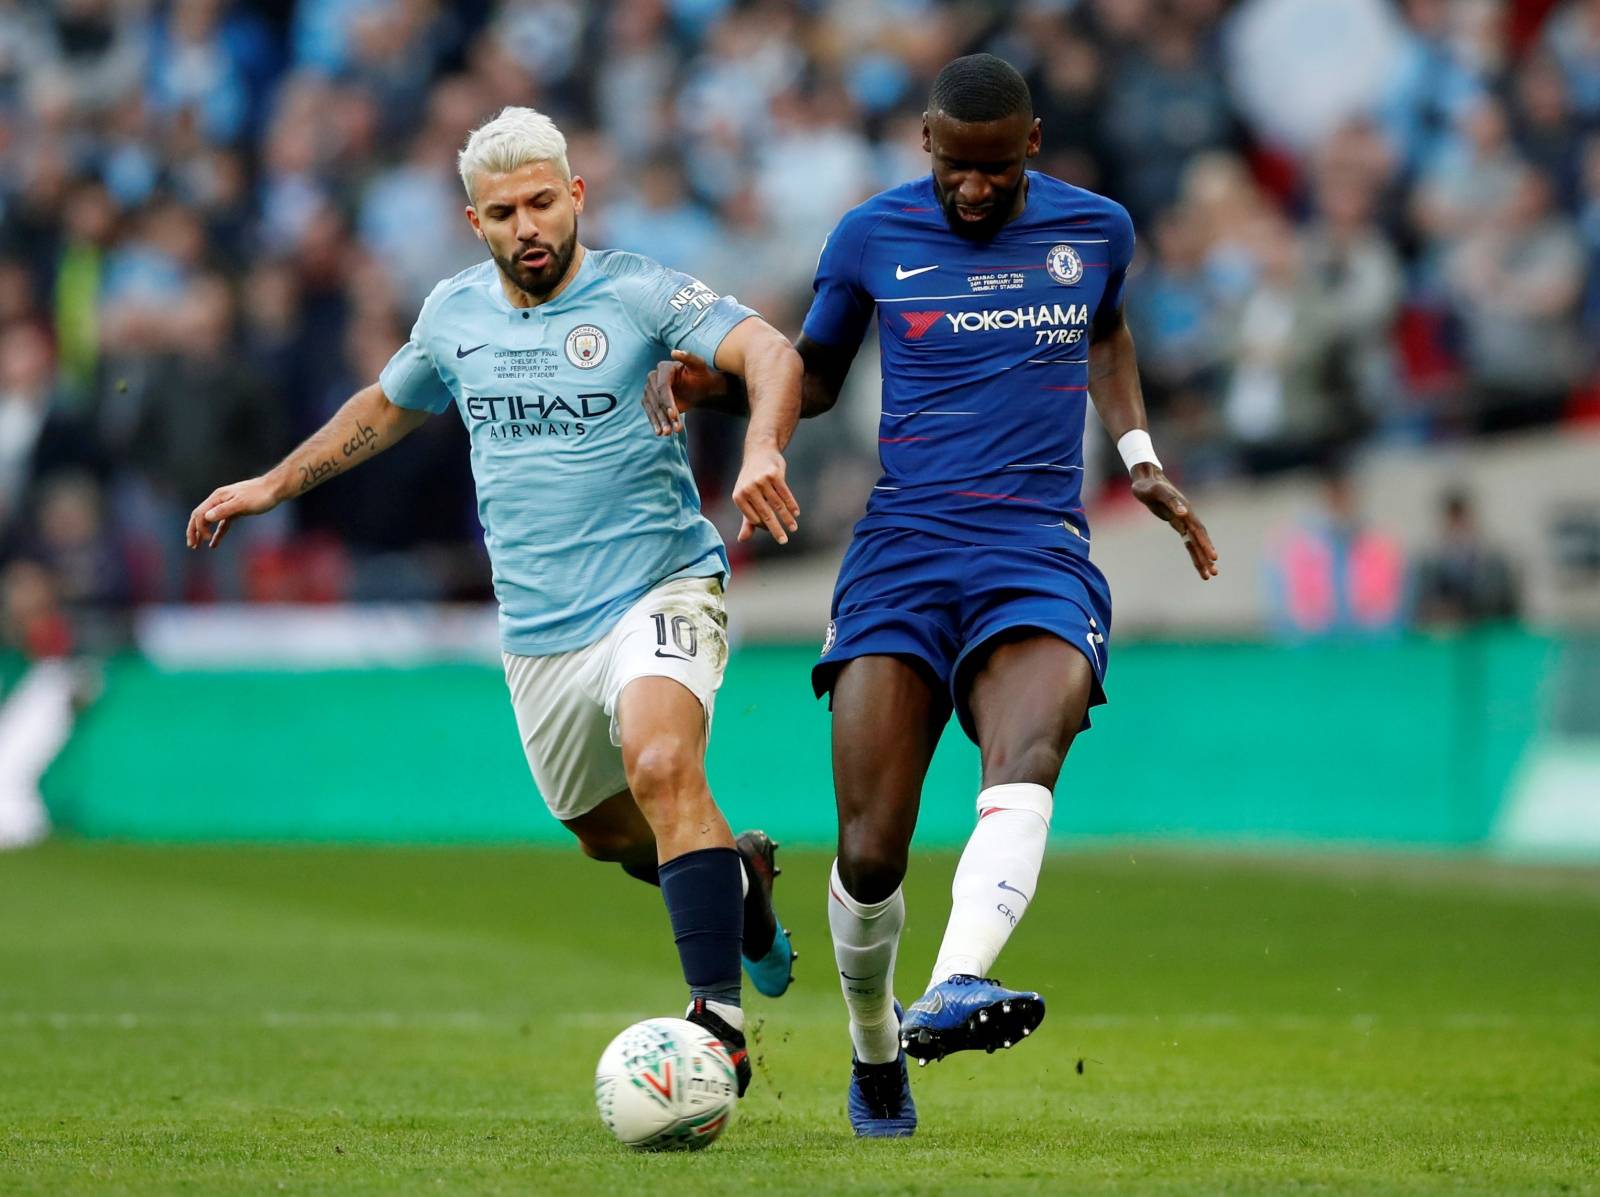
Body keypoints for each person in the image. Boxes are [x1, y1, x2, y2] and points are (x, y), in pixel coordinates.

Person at [644, 55, 1218, 1136]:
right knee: (869, 854)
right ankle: (875, 1054)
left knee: (1031, 746)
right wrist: (712, 384)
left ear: (1032, 145)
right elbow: (812, 378)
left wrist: (1137, 454)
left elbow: (1106, 331)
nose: (975, 190)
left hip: (1034, 548)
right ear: (926, 145)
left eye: (996, 170)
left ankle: (958, 982)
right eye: (956, 167)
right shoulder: (870, 236)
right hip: (901, 551)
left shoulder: (1096, 231)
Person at [186, 107, 803, 1097]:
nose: (529, 224)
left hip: (661, 582)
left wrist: (763, 446)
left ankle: (716, 1029)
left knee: (660, 762)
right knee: (607, 834)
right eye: (505, 209)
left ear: (577, 199)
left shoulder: (643, 294)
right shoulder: (453, 315)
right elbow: (385, 407)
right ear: (475, 222)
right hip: (538, 628)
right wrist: (271, 485)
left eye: (544, 202)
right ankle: (745, 895)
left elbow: (770, 352)